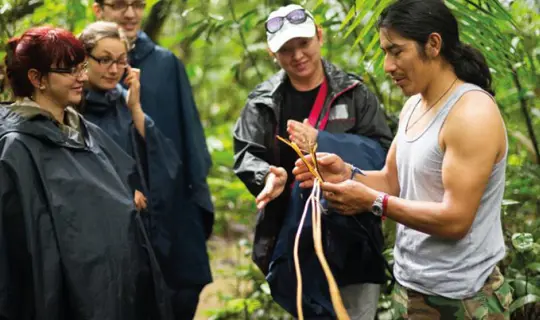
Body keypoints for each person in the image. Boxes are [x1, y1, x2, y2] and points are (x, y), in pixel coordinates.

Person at [293, 0, 513, 318]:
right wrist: (345, 174)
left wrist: (373, 201)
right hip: (410, 288)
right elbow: (392, 182)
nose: (387, 66)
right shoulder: (415, 105)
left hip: (463, 299)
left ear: (433, 44)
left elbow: (456, 220)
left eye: (396, 51)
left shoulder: (472, 113)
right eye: (385, 52)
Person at [0, 26, 172, 319]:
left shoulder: (83, 131)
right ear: (37, 78)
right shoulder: (16, 148)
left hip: (116, 293)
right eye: (69, 70)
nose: (81, 77)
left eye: (80, 67)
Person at [233, 4, 393, 319]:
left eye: (304, 43)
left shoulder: (354, 93)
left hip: (355, 235)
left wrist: (325, 141)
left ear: (319, 36)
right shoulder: (262, 102)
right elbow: (246, 154)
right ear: (272, 54)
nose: (297, 55)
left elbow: (385, 154)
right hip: (294, 240)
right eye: (286, 50)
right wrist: (268, 175)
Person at [78, 21, 212, 317]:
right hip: (105, 244)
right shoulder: (74, 111)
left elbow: (165, 162)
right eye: (104, 60)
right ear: (83, 60)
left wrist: (136, 107)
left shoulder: (122, 102)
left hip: (144, 234)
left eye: (120, 61)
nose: (113, 69)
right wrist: (122, 197)